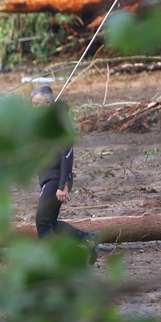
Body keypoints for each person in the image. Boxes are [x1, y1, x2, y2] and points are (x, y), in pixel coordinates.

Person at [30, 86, 99, 258]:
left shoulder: (60, 122)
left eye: (36, 105)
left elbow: (67, 154)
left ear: (47, 103)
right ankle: (88, 239)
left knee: (42, 221)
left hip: (56, 178)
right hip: (47, 178)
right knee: (51, 222)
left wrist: (63, 185)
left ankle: (47, 261)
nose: (33, 109)